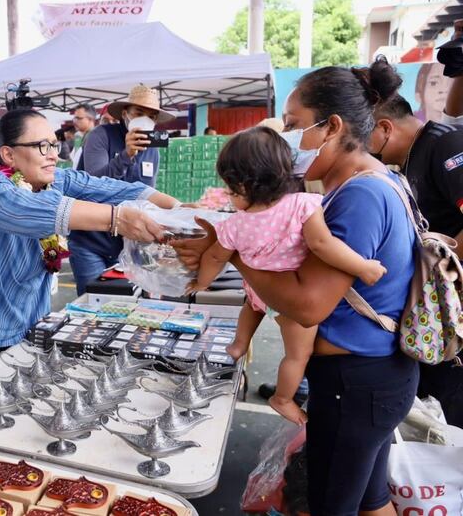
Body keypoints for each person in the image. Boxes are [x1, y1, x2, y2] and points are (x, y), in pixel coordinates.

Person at [173, 59, 417, 514]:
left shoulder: (359, 195)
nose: (285, 139)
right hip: (374, 378)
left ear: (332, 127)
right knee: (370, 500)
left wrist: (236, 252)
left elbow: (309, 306)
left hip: (356, 382)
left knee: (329, 505)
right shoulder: (370, 182)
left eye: (293, 125)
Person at [0, 109, 178, 382]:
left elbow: (110, 188)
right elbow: (34, 210)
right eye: (42, 146)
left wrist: (179, 209)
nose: (53, 155)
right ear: (8, 155)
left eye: (54, 144)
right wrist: (117, 219)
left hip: (28, 324)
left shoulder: (53, 179)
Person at [191, 126, 387, 425]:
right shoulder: (302, 205)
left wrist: (201, 283)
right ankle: (283, 398)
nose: (230, 197)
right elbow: (323, 245)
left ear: (243, 186)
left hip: (258, 291)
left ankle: (239, 344)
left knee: (251, 308)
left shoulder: (234, 225)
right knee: (298, 356)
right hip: (287, 299)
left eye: (230, 190)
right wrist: (362, 266)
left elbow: (215, 257)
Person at [369, 93, 463, 427]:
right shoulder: (410, 160)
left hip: (448, 307)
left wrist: (435, 280)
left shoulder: (445, 145)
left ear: (384, 128)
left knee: (452, 413)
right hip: (430, 312)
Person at [68, 84, 175, 295]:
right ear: (125, 114)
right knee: (94, 302)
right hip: (91, 241)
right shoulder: (101, 136)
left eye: (151, 116)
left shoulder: (153, 150)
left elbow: (146, 193)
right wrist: (126, 155)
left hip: (127, 246)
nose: (145, 119)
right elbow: (93, 185)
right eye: (139, 113)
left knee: (126, 304)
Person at [70, 103, 96, 170]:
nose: (75, 121)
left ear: (91, 119)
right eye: (75, 118)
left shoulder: (95, 139)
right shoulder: (79, 137)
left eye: (79, 118)